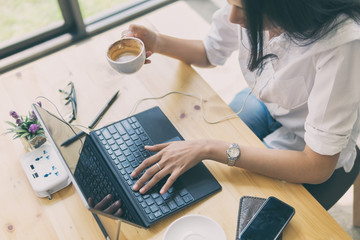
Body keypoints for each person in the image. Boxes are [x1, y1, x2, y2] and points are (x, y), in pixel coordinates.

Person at [127, 0, 360, 210]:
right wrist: (156, 41)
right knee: (203, 174)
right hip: (269, 106)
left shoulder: (341, 44)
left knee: (236, 200)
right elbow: (209, 52)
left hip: (312, 152)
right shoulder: (249, 5)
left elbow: (317, 167)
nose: (232, 18)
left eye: (243, 9)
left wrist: (209, 148)